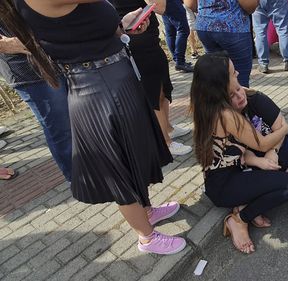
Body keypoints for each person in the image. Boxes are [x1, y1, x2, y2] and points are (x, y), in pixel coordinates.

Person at [3, 0, 185, 254]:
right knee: (119, 168)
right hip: (98, 88)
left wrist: (122, 25)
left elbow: (83, 30)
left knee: (133, 155)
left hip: (112, 79)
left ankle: (146, 211)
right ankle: (147, 237)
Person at [190, 53, 288, 254]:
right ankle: (239, 220)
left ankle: (245, 205)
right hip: (226, 185)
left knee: (280, 159)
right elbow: (263, 144)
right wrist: (284, 128)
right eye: (233, 73)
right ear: (221, 83)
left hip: (227, 174)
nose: (238, 73)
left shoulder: (204, 105)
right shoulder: (226, 115)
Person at [111, 0, 192, 156]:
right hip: (139, 40)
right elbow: (160, 6)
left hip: (145, 38)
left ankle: (168, 128)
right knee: (155, 91)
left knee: (162, 86)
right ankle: (164, 141)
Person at [0, 29, 72, 181]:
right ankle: (81, 181)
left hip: (59, 54)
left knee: (79, 121)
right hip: (26, 67)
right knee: (61, 129)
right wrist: (4, 44)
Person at [185, 0, 257, 88]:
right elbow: (250, 5)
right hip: (233, 26)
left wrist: (208, 10)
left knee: (216, 75)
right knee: (239, 78)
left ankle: (218, 100)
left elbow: (190, 3)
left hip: (205, 25)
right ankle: (237, 99)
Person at [253, 0, 288, 74]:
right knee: (283, 30)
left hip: (258, 2)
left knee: (260, 33)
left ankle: (263, 64)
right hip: (278, 2)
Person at [162, 0, 193, 72]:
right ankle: (180, 61)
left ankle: (177, 60)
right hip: (173, 3)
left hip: (163, 4)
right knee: (183, 30)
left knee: (170, 32)